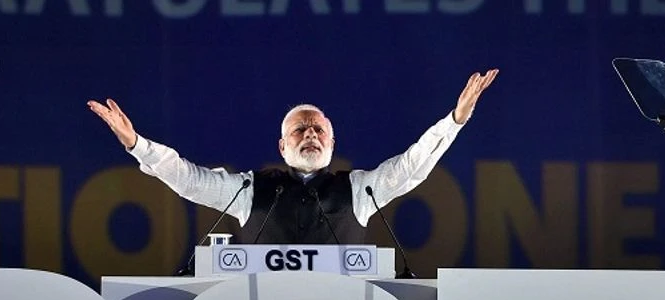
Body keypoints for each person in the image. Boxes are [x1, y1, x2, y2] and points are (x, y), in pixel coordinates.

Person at [88, 69, 498, 244]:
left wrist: (456, 120)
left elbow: (412, 166)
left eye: (319, 129)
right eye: (299, 129)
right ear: (282, 146)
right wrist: (136, 143)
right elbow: (187, 178)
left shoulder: (359, 190)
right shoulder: (248, 190)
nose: (310, 135)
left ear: (332, 145)